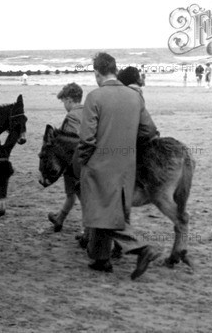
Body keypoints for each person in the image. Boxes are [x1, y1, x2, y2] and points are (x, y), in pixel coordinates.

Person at [76, 52, 160, 279]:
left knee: (102, 213)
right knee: (112, 209)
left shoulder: (94, 97)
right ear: (115, 69)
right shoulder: (134, 96)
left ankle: (142, 248)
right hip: (126, 164)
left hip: (99, 164)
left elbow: (86, 139)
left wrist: (83, 161)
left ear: (96, 73)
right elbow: (150, 130)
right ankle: (101, 259)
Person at [47, 83, 84, 232]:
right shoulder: (88, 111)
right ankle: (60, 219)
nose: (64, 105)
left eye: (63, 102)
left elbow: (71, 140)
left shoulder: (72, 116)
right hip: (85, 159)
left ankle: (85, 230)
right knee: (72, 194)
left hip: (73, 162)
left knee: (78, 194)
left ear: (69, 100)